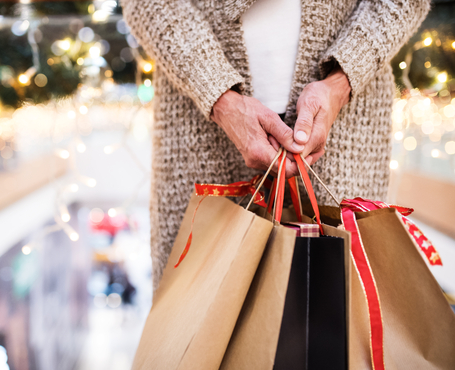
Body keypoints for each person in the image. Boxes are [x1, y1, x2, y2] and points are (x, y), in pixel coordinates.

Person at [122, 0, 431, 290]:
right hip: (199, 122)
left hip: (346, 120)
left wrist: (342, 80)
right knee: (195, 321)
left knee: (336, 315)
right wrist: (217, 95)